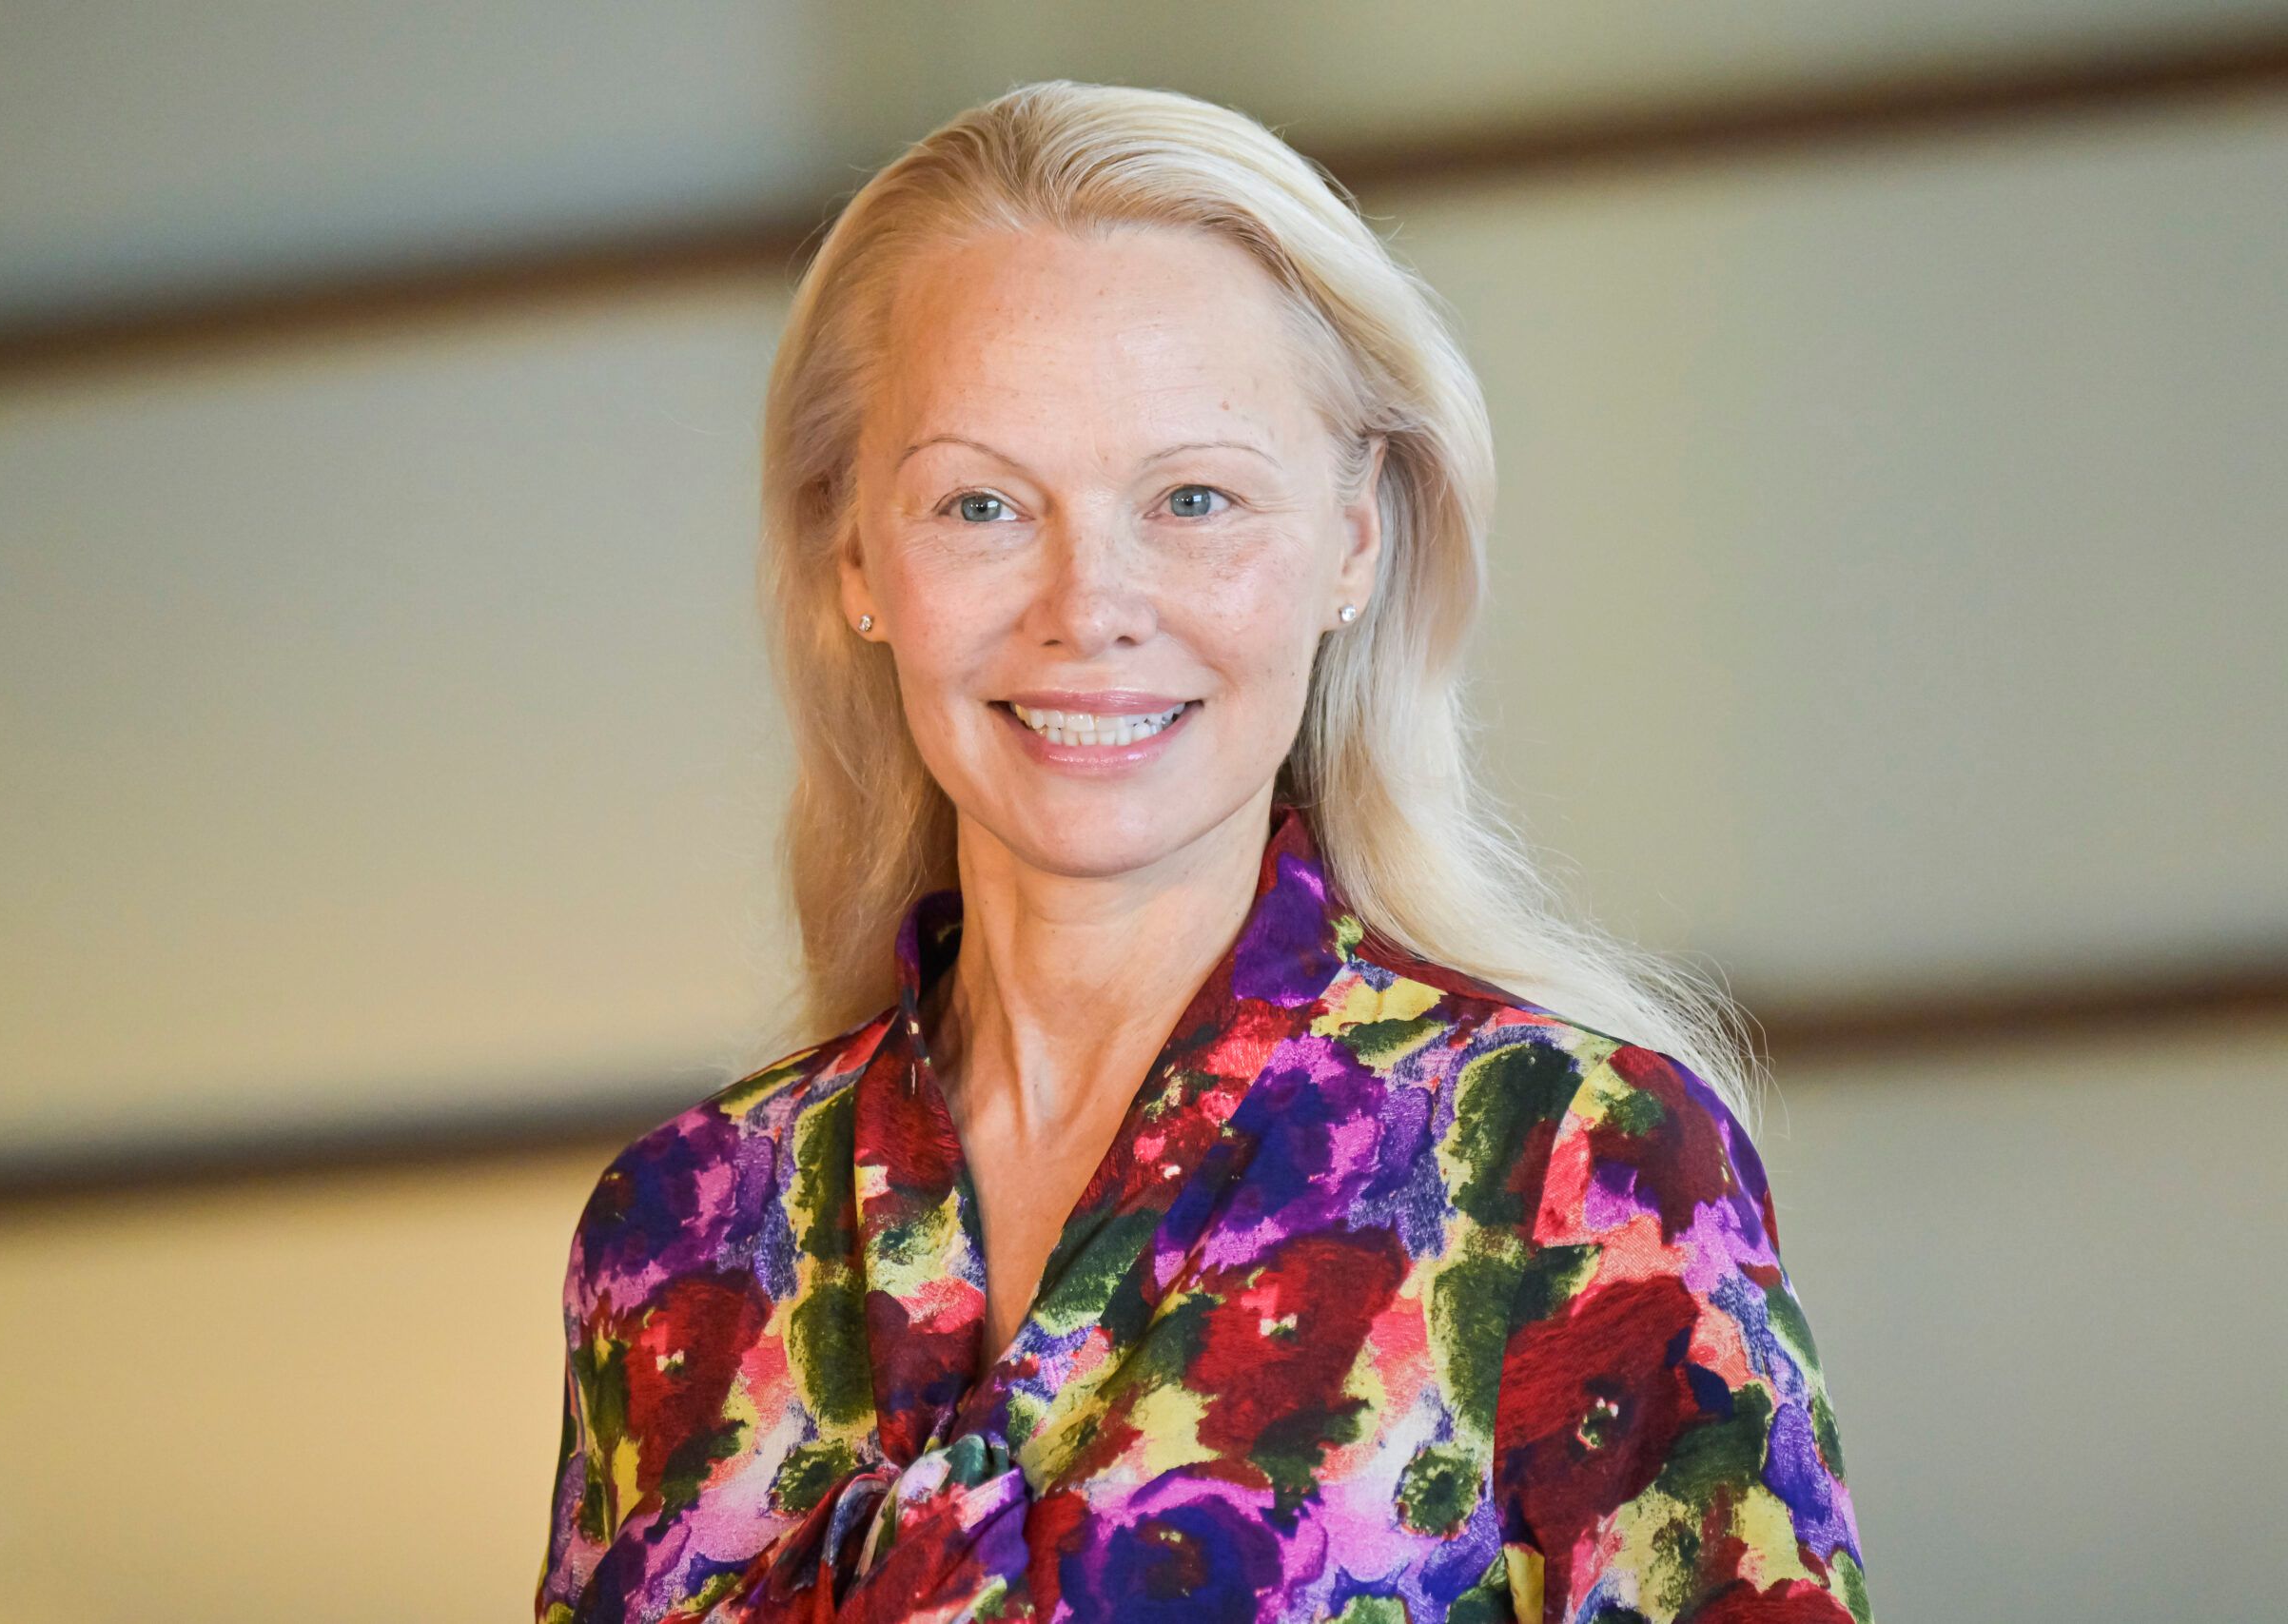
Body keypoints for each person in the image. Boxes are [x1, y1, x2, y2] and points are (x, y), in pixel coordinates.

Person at [535, 80, 1871, 1624]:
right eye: (980, 503)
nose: (1088, 605)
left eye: (1192, 499)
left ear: (1353, 541)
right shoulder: (676, 1234)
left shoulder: (1567, 1164)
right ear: (857, 558)